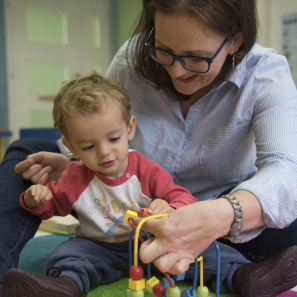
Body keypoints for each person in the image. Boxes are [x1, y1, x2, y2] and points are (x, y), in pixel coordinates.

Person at [0, 0, 297, 296]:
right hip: (116, 209)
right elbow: (99, 125)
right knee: (25, 153)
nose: (178, 72)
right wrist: (77, 162)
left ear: (235, 40)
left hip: (220, 219)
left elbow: (286, 170)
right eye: (164, 51)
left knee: (284, 223)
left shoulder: (264, 74)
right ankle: (5, 276)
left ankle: (244, 273)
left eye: (196, 57)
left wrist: (217, 215)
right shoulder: (133, 57)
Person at [1, 72, 198, 297]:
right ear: (71, 147)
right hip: (99, 248)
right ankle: (64, 286)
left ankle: (240, 273)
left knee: (207, 250)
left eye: (114, 139)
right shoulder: (74, 176)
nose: (104, 153)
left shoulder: (146, 169)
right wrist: (34, 198)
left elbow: (184, 198)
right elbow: (52, 206)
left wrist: (170, 208)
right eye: (88, 147)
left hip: (151, 243)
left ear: (130, 128)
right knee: (65, 253)